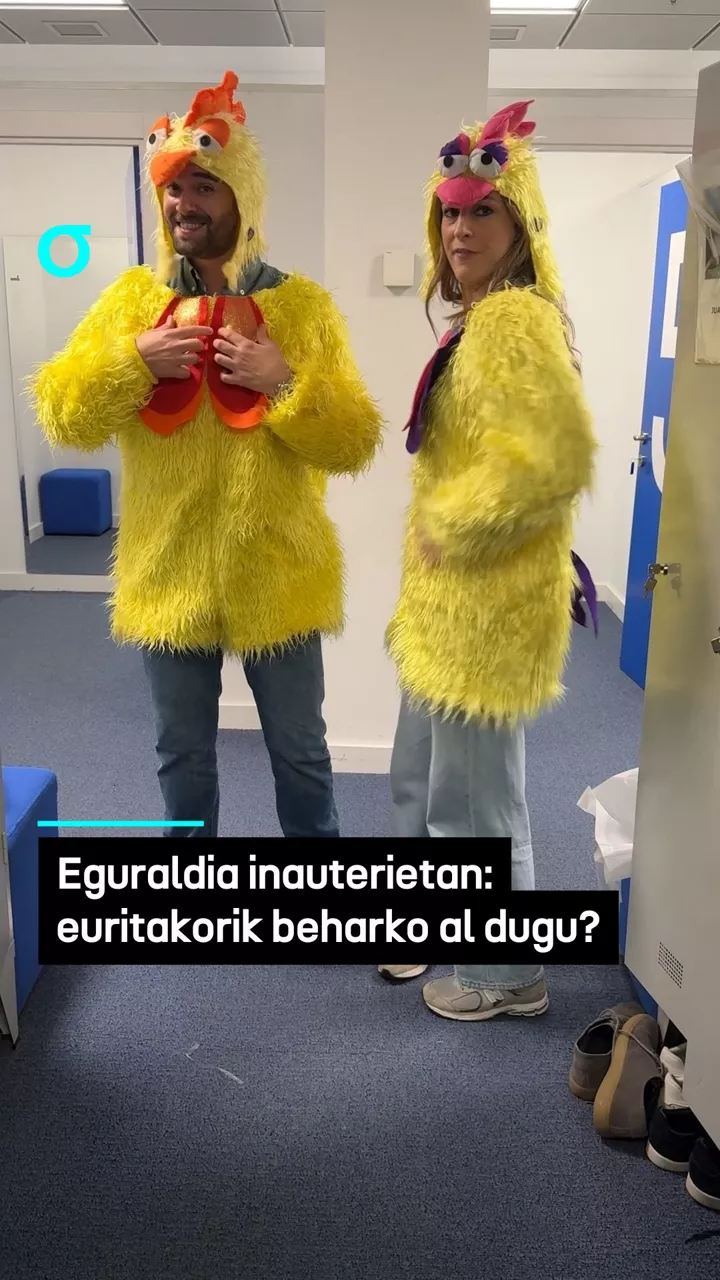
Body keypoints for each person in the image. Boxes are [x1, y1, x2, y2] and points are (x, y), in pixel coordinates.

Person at [32, 71, 382, 839]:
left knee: (300, 754)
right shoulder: (131, 302)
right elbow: (62, 410)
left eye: (202, 187)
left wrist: (283, 382)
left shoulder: (303, 307)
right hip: (167, 568)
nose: (183, 204)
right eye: (172, 189)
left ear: (241, 198)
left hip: (281, 569)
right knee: (181, 755)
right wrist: (133, 361)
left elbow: (355, 439)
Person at [379, 100, 595, 1019]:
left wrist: (454, 526)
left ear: (520, 225)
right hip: (443, 605)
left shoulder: (513, 319)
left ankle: (507, 974)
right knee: (425, 779)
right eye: (450, 213)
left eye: (483, 212)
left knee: (475, 804)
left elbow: (552, 460)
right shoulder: (474, 320)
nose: (460, 230)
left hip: (486, 605)